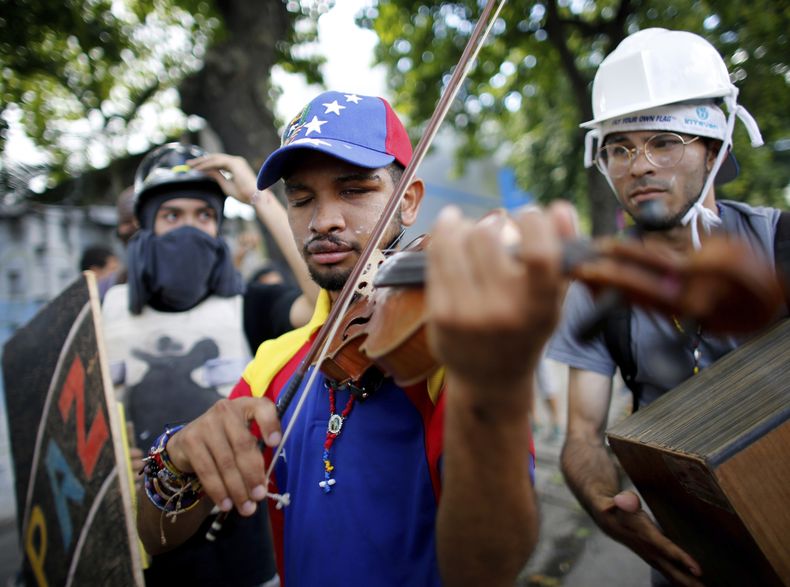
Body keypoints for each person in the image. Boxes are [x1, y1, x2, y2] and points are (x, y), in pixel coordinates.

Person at [135, 90, 576, 585]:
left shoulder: (448, 353)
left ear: (407, 202)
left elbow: (491, 566)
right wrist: (174, 458)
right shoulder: (275, 360)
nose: (324, 220)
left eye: (355, 191)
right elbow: (155, 538)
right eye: (301, 198)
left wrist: (493, 388)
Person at [546, 28, 788, 587]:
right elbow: (583, 434)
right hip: (693, 554)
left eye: (664, 141)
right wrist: (602, 501)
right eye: (620, 148)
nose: (639, 165)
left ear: (714, 145)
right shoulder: (596, 287)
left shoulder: (781, 246)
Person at [102, 143, 279, 587]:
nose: (190, 228)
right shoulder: (102, 312)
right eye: (172, 215)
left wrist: (259, 196)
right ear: (146, 227)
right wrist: (106, 459)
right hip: (147, 547)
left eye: (204, 215)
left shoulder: (250, 304)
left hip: (244, 539)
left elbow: (326, 309)